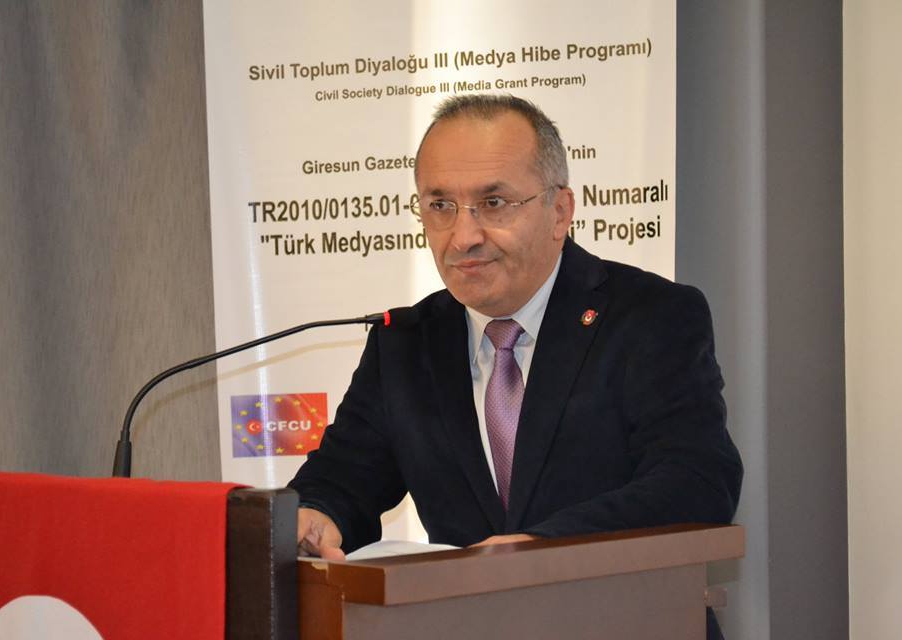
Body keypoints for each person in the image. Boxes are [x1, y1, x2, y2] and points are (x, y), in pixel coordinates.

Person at [289, 93, 742, 563]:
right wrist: (317, 516)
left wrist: (542, 550)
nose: (463, 237)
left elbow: (696, 481)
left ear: (560, 212)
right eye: (440, 205)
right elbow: (343, 477)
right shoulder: (406, 342)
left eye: (494, 203)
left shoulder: (650, 316)